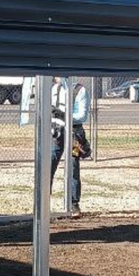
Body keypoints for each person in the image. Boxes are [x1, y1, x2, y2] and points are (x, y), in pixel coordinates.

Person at [50, 76, 90, 217]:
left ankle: (74, 204)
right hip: (57, 133)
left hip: (74, 134)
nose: (57, 76)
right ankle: (44, 203)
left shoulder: (80, 90)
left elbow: (82, 115)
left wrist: (64, 115)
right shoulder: (54, 89)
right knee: (50, 164)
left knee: (73, 165)